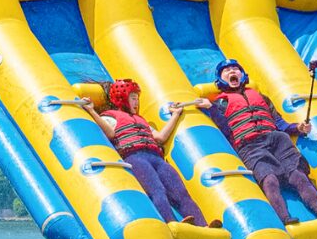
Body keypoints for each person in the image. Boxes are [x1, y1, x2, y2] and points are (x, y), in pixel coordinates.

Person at [202, 59, 317, 225]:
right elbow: (225, 129)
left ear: (243, 75)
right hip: (249, 145)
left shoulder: (261, 98)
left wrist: (298, 128)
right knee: (269, 180)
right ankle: (284, 219)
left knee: (298, 175)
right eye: (226, 70)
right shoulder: (220, 103)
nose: (232, 71)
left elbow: (279, 123)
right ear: (220, 79)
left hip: (277, 139)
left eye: (236, 69)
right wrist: (210, 108)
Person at [82, 79, 218, 228]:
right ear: (121, 97)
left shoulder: (141, 120)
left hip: (156, 158)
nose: (136, 102)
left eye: (137, 99)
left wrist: (175, 115)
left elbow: (160, 137)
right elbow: (110, 133)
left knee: (180, 192)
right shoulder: (110, 117)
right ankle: (171, 224)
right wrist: (91, 111)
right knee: (157, 190)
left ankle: (203, 226)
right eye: (133, 98)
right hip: (135, 157)